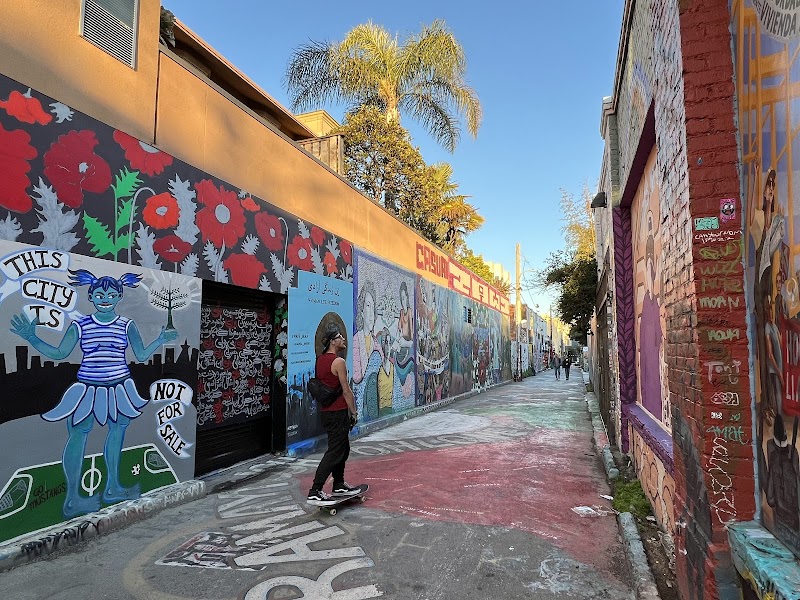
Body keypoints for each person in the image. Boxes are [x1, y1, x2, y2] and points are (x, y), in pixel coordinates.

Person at [10, 269, 177, 518]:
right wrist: (32, 338)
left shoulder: (126, 324)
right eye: (99, 294)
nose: (105, 298)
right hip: (88, 388)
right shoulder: (81, 324)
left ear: (119, 296)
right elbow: (59, 353)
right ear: (91, 297)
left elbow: (141, 355)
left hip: (120, 387)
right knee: (78, 434)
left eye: (111, 294)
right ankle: (72, 499)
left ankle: (112, 488)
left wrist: (159, 340)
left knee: (117, 432)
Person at [307, 327, 360, 506]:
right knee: (334, 451)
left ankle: (338, 484)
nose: (343, 339)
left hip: (326, 412)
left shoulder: (319, 360)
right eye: (340, 337)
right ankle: (315, 490)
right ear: (332, 341)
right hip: (337, 412)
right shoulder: (338, 362)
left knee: (342, 449)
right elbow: (346, 390)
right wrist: (354, 412)